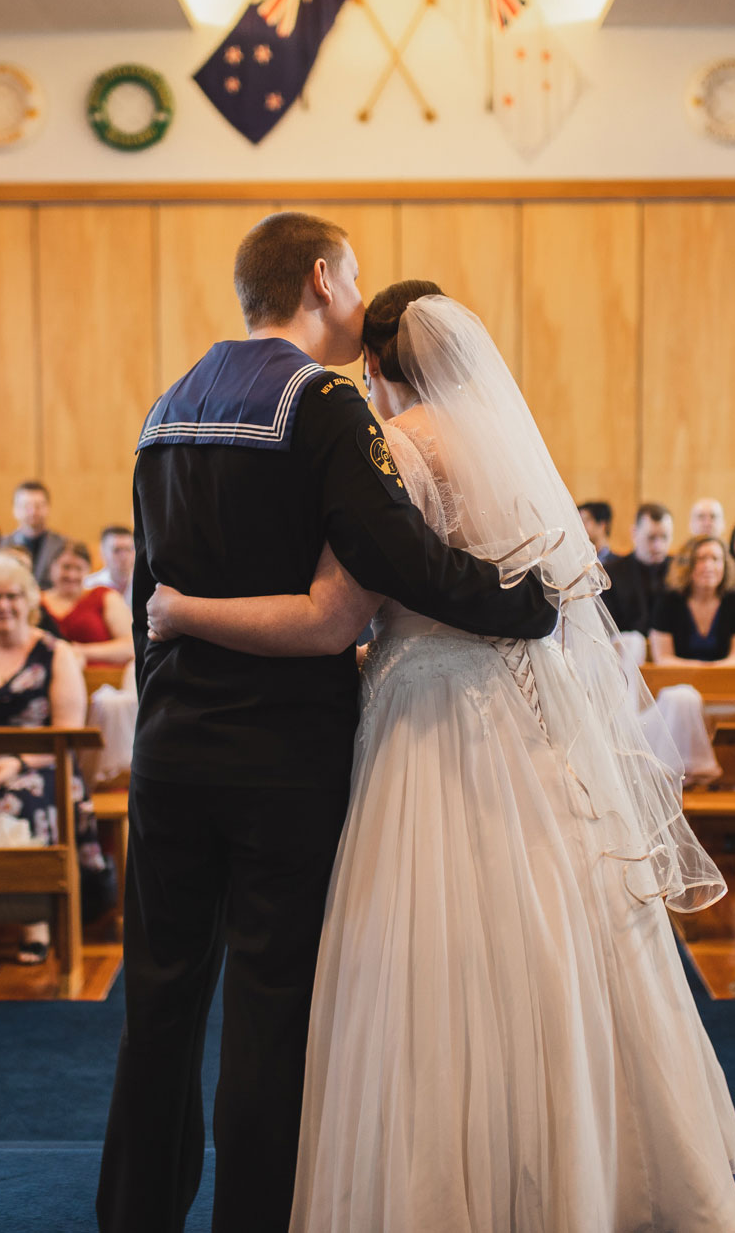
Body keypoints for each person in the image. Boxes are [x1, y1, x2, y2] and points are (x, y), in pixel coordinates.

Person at [140, 285, 735, 1232]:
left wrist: (177, 610)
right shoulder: (492, 444)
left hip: (420, 704)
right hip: (512, 702)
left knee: (424, 939)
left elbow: (338, 614)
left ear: (374, 365)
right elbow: (518, 588)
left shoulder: (393, 448)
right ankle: (574, 1169)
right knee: (545, 931)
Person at [96, 230, 562, 1233]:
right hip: (279, 753)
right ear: (320, 279)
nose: (357, 295)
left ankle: (133, 1215)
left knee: (159, 1004)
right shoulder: (319, 403)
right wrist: (527, 603)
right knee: (268, 1006)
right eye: (351, 275)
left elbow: (148, 597)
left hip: (172, 743)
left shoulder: (162, 406)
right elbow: (390, 554)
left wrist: (164, 708)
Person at [0, 553, 106, 966]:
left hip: (41, 762)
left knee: (26, 802)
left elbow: (67, 731)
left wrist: (16, 764)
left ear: (28, 600)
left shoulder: (55, 653)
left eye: (11, 595)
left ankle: (35, 919)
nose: (2, 605)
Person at [649, 536, 735, 666]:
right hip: (677, 683)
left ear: (725, 565)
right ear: (687, 564)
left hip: (725, 681)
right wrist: (701, 670)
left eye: (716, 559)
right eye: (701, 559)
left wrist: (709, 673)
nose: (708, 566)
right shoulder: (667, 602)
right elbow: (663, 659)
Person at [39, 539, 133, 666]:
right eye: (66, 567)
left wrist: (79, 651)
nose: (71, 575)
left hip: (103, 680)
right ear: (52, 567)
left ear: (88, 570)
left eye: (78, 568)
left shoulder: (105, 597)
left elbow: (130, 646)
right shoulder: (36, 601)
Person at [603, 502, 674, 636]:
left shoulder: (680, 571)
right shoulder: (611, 573)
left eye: (664, 537)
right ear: (634, 533)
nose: (658, 546)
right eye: (651, 537)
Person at [4, 480, 68, 589]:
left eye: (38, 506)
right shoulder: (1, 545)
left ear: (48, 508)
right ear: (15, 509)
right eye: (26, 506)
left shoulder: (64, 545)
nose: (33, 511)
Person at [84, 525, 137, 607]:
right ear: (103, 552)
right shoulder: (89, 586)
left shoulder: (146, 584)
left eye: (128, 549)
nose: (124, 556)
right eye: (116, 550)